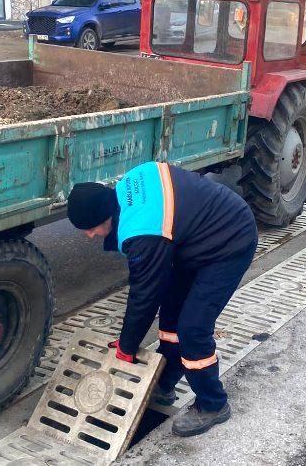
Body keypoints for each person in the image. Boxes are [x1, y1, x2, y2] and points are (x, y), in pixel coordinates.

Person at [67, 161, 258, 437]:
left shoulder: (143, 232)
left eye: (90, 228)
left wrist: (127, 346)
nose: (89, 235)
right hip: (194, 238)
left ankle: (213, 403)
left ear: (105, 215)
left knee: (192, 328)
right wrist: (128, 341)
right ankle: (164, 383)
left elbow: (144, 295)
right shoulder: (128, 186)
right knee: (170, 319)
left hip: (230, 241)